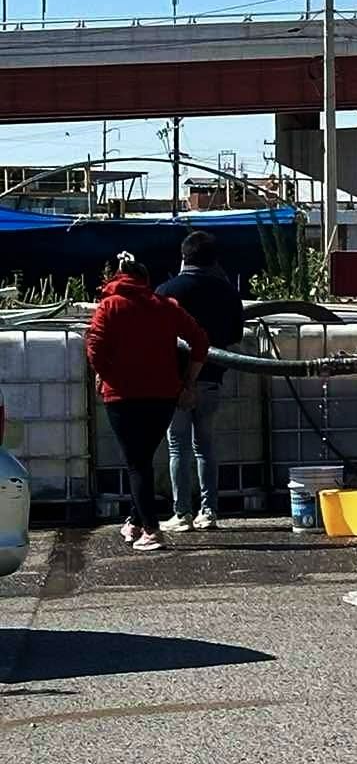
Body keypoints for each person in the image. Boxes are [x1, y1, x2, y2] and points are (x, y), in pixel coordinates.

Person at [85, 254, 210, 553]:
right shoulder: (166, 307)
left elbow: (94, 348)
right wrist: (188, 383)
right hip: (163, 395)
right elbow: (201, 341)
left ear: (116, 279)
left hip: (122, 396)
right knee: (142, 459)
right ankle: (136, 520)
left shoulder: (109, 307)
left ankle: (152, 530)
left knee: (136, 462)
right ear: (145, 280)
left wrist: (107, 375)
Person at [156, 230, 246, 531]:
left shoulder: (167, 291)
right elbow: (235, 336)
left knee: (177, 447)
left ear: (184, 257)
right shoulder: (228, 292)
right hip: (212, 379)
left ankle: (181, 513)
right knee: (205, 446)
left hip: (173, 383)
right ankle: (209, 512)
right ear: (214, 259)